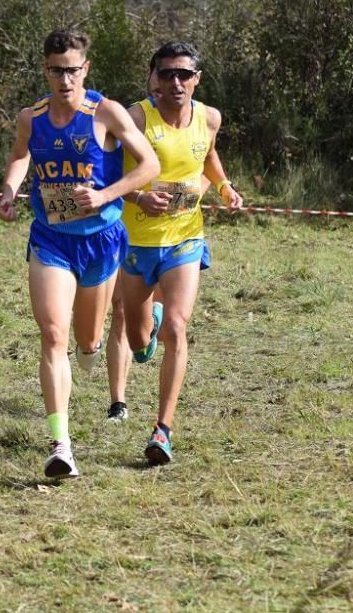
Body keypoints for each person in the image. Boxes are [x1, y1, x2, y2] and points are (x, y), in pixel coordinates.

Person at [0, 28, 160, 479]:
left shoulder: (104, 112)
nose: (64, 79)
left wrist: (107, 195)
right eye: (56, 70)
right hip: (51, 237)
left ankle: (95, 348)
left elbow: (150, 164)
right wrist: (10, 191)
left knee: (88, 342)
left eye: (72, 70)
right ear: (45, 70)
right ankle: (61, 445)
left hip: (100, 240)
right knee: (53, 333)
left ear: (84, 69)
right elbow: (19, 156)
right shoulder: (32, 117)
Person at [114, 41, 242, 464]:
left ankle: (162, 431)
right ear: (152, 77)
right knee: (138, 339)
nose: (175, 82)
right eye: (166, 73)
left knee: (177, 327)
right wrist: (138, 200)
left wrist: (223, 186)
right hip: (137, 244)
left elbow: (208, 156)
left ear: (197, 79)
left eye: (184, 74)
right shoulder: (135, 118)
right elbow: (112, 180)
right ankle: (145, 322)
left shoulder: (209, 117)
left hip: (186, 239)